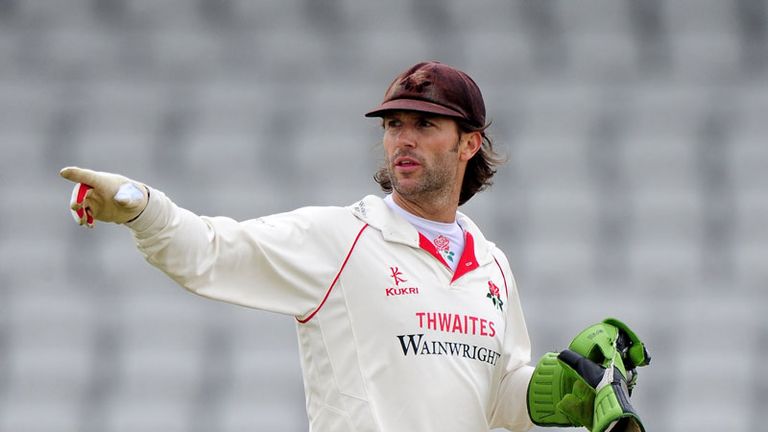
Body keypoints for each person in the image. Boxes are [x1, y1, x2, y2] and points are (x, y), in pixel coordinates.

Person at [60, 61, 649, 432]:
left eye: (424, 125)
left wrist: (562, 388)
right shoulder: (340, 238)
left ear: (469, 143)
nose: (402, 139)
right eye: (394, 124)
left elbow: (497, 401)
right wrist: (142, 208)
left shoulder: (492, 265)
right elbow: (210, 252)